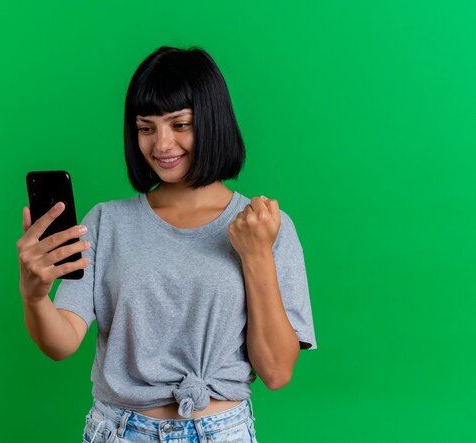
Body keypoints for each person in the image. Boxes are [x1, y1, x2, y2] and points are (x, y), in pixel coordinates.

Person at [17, 46, 317, 443]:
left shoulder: (264, 227)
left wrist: (257, 254)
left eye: (180, 124)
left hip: (222, 431)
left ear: (212, 122)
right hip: (120, 431)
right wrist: (34, 295)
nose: (161, 144)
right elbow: (61, 343)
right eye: (146, 128)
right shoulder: (107, 221)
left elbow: (277, 372)